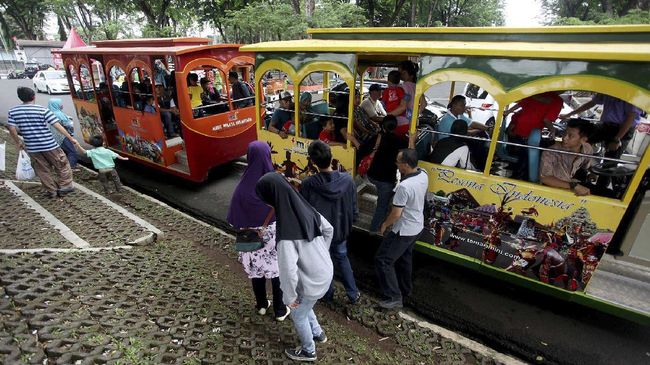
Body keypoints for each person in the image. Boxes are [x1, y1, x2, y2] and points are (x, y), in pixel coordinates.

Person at [255, 172, 333, 362]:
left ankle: (309, 351)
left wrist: (289, 298)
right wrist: (322, 253)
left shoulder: (286, 233)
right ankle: (318, 333)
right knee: (306, 305)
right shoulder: (307, 209)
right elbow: (329, 229)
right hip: (325, 271)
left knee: (298, 313)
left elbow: (288, 270)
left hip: (311, 281)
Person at [227, 142, 291, 321]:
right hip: (273, 237)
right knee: (277, 271)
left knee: (257, 271)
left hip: (251, 239)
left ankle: (262, 305)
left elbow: (233, 217)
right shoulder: (275, 182)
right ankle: (280, 310)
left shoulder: (242, 186)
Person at [301, 141, 360, 304]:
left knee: (324, 263)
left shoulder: (308, 184)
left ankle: (328, 294)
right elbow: (354, 208)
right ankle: (353, 294)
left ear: (312, 161)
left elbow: (304, 211)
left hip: (320, 235)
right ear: (331, 157)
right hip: (341, 231)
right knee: (342, 258)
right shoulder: (347, 180)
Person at [375, 148, 428, 309]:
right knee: (405, 258)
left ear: (405, 165)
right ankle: (406, 290)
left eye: (398, 162)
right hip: (417, 226)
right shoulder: (423, 174)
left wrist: (384, 224)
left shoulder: (404, 187)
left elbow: (396, 213)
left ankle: (394, 297)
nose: (396, 164)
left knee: (383, 260)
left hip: (403, 230)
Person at [7, 87, 77, 198]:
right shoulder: (42, 109)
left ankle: (51, 191)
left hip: (32, 147)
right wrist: (70, 137)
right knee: (62, 165)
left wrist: (18, 142)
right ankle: (65, 187)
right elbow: (57, 125)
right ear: (34, 96)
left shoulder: (13, 111)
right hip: (50, 145)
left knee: (42, 169)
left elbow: (11, 128)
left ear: (20, 98)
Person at [560, 94, 642, 162]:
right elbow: (592, 103)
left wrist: (616, 139)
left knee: (610, 160)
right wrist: (570, 114)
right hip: (606, 125)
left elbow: (630, 118)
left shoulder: (629, 96)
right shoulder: (606, 91)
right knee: (584, 138)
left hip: (622, 129)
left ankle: (603, 180)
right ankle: (579, 164)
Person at [504, 92, 563, 178]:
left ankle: (517, 173)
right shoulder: (557, 101)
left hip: (519, 129)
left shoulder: (536, 94)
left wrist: (508, 112)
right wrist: (553, 130)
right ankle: (527, 176)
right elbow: (546, 120)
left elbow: (520, 105)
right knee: (532, 156)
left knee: (523, 155)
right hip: (530, 132)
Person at [367, 116, 408, 233]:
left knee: (385, 197)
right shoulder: (401, 141)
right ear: (396, 126)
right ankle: (374, 230)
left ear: (382, 126)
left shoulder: (377, 137)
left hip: (372, 175)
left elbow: (363, 148)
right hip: (386, 180)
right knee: (382, 206)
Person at [539, 118, 595, 196]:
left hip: (572, 185)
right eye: (564, 133)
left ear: (583, 140)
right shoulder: (550, 153)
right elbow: (545, 178)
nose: (564, 138)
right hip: (552, 191)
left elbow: (587, 165)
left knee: (607, 193)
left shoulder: (587, 149)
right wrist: (573, 186)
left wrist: (592, 173)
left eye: (570, 136)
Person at [47, 98, 78, 171]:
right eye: (60, 104)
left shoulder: (50, 113)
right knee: (72, 151)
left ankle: (64, 166)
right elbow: (68, 125)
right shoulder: (59, 114)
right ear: (56, 105)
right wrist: (70, 121)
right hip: (63, 136)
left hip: (55, 136)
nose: (62, 105)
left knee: (63, 152)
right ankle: (71, 168)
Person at [397, 60, 426, 135]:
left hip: (401, 121)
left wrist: (388, 115)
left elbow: (402, 107)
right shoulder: (417, 86)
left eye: (402, 73)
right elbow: (424, 104)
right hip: (412, 123)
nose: (400, 75)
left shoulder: (404, 86)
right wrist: (414, 115)